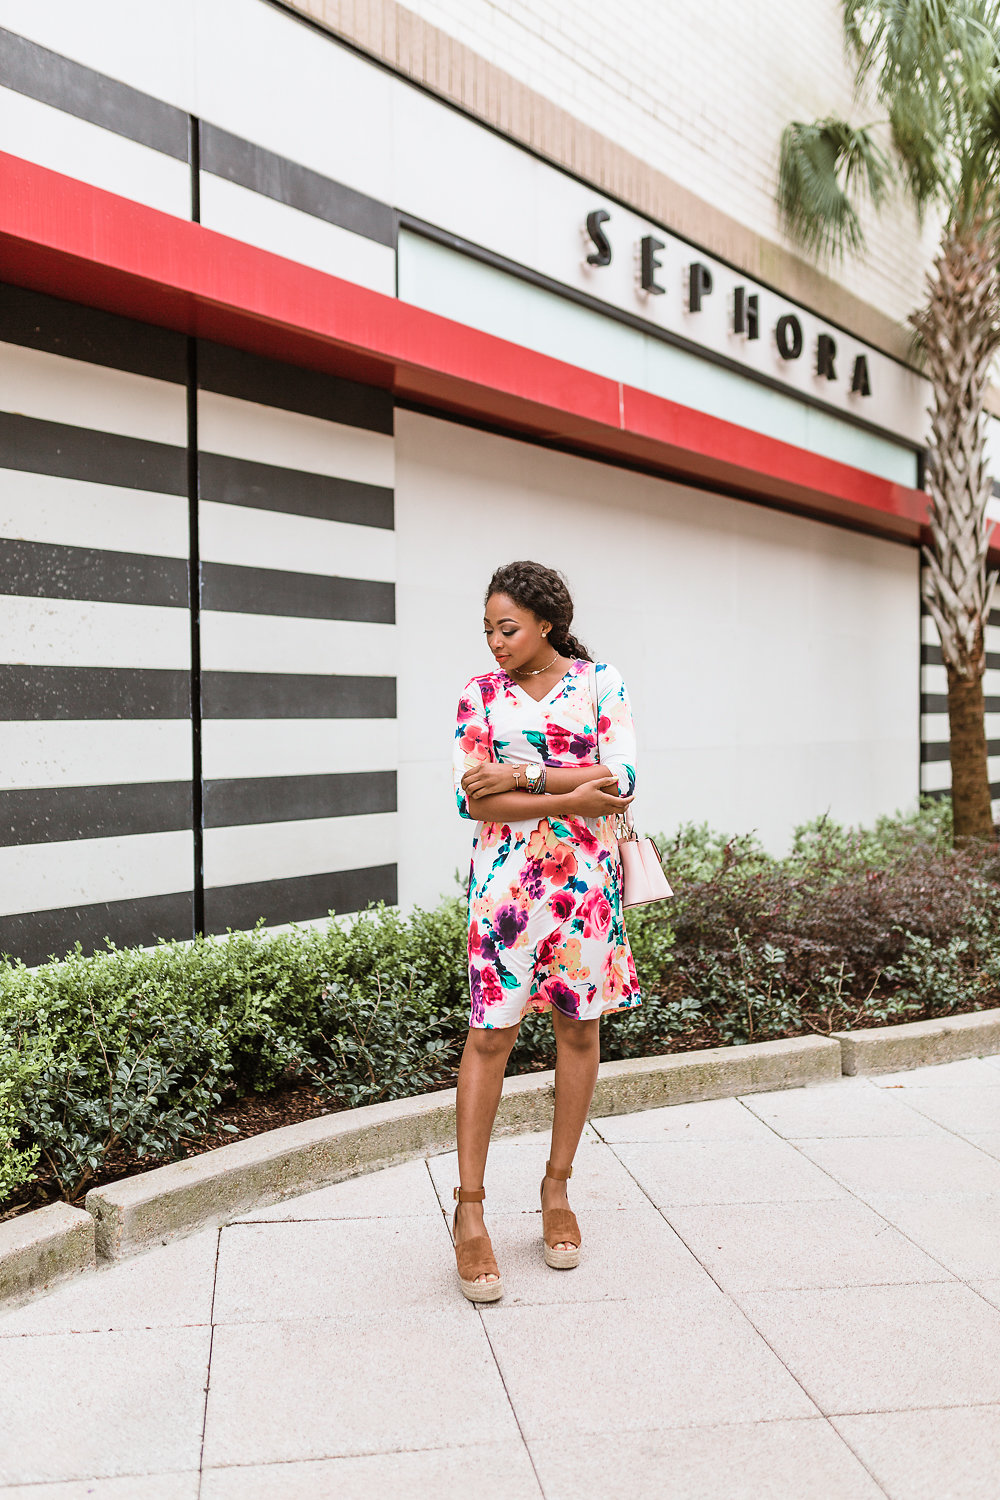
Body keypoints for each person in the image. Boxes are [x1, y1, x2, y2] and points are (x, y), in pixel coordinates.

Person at [450, 559, 641, 1301]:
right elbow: (473, 802)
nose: (496, 643)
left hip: (584, 891)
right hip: (503, 892)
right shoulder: (478, 695)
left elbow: (619, 784)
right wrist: (568, 783)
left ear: (546, 625)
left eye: (508, 628)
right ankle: (470, 1213)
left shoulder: (601, 683)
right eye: (489, 630)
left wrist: (521, 777)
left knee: (579, 1033)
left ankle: (556, 1186)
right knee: (490, 1036)